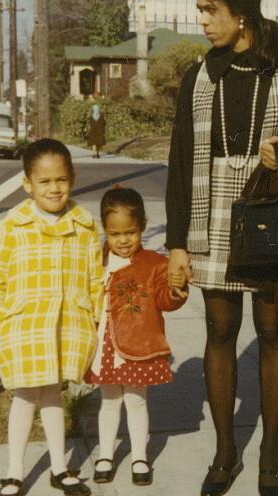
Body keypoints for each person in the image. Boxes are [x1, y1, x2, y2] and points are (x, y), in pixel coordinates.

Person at [165, 0, 278, 496]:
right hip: (210, 215)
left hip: (269, 217)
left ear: (243, 11)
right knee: (218, 331)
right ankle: (224, 451)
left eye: (211, 10)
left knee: (273, 332)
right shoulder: (199, 75)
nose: (204, 22)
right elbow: (180, 161)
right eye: (201, 11)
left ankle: (269, 455)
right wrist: (175, 245)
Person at [0, 138, 102, 496]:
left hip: (66, 323)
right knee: (24, 395)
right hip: (24, 324)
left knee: (53, 393)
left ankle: (59, 468)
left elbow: (94, 276)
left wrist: (94, 318)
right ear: (28, 184)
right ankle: (14, 471)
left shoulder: (83, 224)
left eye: (61, 179)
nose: (54, 188)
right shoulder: (13, 225)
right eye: (45, 181)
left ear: (73, 178)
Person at [84, 187, 188, 487]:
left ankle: (140, 456)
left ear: (142, 226)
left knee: (136, 401)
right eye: (115, 234)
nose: (123, 240)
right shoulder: (97, 260)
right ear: (105, 230)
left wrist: (176, 287)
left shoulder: (154, 264)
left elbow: (166, 301)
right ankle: (105, 455)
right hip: (104, 344)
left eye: (130, 232)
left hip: (139, 345)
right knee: (109, 401)